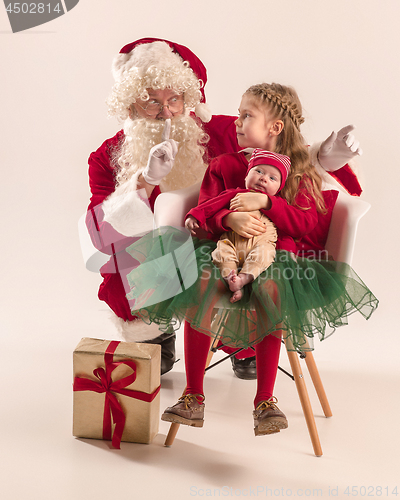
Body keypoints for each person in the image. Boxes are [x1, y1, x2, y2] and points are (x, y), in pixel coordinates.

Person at [85, 37, 365, 378]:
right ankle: (155, 334)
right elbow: (102, 232)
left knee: (242, 265)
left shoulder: (221, 130)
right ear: (130, 106)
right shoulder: (105, 157)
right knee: (122, 264)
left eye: (174, 99)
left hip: (229, 239)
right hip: (160, 247)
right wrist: (143, 182)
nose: (166, 111)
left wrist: (323, 156)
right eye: (150, 102)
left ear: (188, 98)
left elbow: (278, 150)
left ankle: (242, 341)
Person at [146, 82, 378, 435]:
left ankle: (265, 400)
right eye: (238, 114)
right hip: (222, 249)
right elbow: (203, 212)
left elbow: (305, 223)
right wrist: (229, 218)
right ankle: (193, 396)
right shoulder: (224, 165)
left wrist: (268, 202)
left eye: (246, 115)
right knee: (202, 283)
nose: (237, 122)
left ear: (275, 127)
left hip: (277, 256)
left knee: (272, 292)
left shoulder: (298, 172)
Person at [186, 149, 292, 303]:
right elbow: (211, 205)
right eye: (259, 171)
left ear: (279, 188)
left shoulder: (276, 204)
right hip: (232, 242)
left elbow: (288, 224)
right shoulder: (234, 193)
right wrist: (194, 215)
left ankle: (243, 279)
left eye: (272, 178)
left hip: (260, 244)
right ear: (247, 175)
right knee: (222, 253)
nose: (263, 179)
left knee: (265, 254)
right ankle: (232, 279)